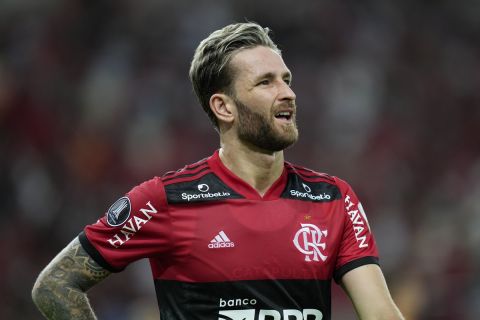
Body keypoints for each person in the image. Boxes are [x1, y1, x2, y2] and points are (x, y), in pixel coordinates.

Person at [32, 22, 404, 320]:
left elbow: (380, 313)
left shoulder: (333, 199)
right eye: (265, 82)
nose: (287, 93)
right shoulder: (166, 199)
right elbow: (56, 284)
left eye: (286, 79)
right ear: (224, 107)